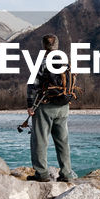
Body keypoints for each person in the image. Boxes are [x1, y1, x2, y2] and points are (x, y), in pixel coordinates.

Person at [27, 33, 76, 183]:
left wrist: (30, 105)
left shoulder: (42, 62)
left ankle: (42, 174)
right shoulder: (66, 62)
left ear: (44, 46)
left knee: (40, 140)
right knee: (62, 140)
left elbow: (32, 85)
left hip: (45, 106)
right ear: (57, 45)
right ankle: (67, 173)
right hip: (63, 106)